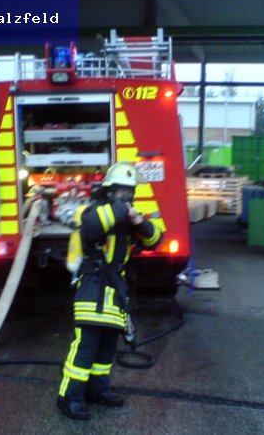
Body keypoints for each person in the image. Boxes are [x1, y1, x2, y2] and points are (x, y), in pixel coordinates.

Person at [57, 161, 163, 420]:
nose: (127, 196)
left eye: (130, 191)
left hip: (115, 290)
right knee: (86, 345)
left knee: (106, 348)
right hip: (93, 286)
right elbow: (92, 226)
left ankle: (97, 391)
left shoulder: (128, 218)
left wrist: (141, 222)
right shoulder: (94, 210)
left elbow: (155, 239)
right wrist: (121, 209)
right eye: (121, 191)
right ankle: (69, 397)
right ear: (109, 191)